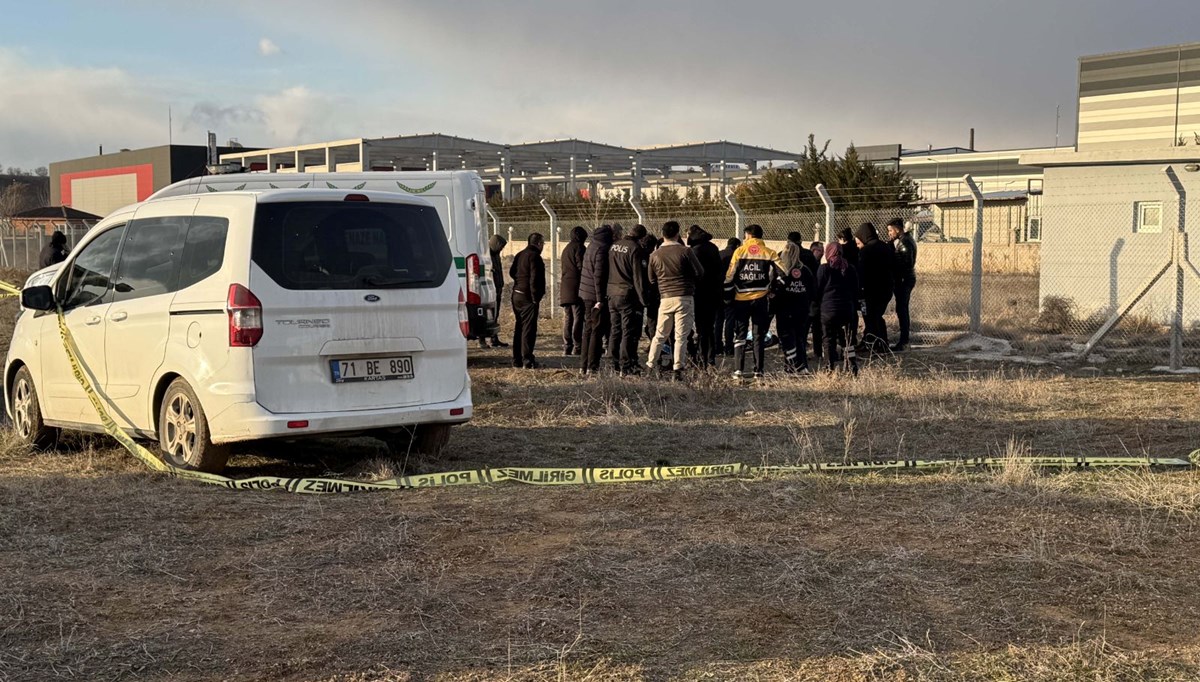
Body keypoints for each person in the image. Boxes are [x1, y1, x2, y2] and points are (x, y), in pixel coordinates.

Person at [723, 225, 784, 380]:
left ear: (749, 236)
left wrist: (728, 296)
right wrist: (773, 289)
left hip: (741, 299)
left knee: (740, 334)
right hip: (761, 299)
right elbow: (783, 273)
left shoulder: (739, 251)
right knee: (758, 335)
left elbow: (729, 276)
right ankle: (759, 370)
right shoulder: (769, 252)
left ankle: (738, 370)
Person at [648, 221, 705, 380]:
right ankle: (678, 369)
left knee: (660, 334)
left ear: (662, 234)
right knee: (681, 336)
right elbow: (700, 272)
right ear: (677, 234)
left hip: (665, 297)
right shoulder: (685, 251)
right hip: (684, 296)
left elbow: (651, 279)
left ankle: (650, 365)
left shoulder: (654, 255)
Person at [607, 224, 648, 375]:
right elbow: (638, 277)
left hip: (611, 292)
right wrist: (643, 299)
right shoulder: (635, 249)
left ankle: (612, 361)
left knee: (615, 329)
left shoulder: (614, 246)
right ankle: (626, 364)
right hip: (626, 294)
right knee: (627, 331)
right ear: (642, 237)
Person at [815, 242, 860, 375]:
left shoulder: (824, 269)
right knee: (847, 340)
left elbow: (817, 289)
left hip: (828, 311)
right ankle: (852, 367)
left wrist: (819, 304)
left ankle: (828, 367)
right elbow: (856, 289)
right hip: (846, 310)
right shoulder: (849, 268)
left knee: (828, 339)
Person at [774, 233, 817, 373]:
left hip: (785, 310)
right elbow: (812, 290)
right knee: (800, 338)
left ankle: (791, 366)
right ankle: (802, 366)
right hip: (802, 310)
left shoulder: (782, 272)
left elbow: (776, 291)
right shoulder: (806, 271)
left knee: (787, 339)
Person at [853, 222, 895, 355]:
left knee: (871, 317)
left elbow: (862, 272)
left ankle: (874, 344)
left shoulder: (866, 251)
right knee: (877, 316)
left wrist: (860, 290)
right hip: (886, 289)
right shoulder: (886, 247)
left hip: (870, 291)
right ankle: (879, 343)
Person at [579, 224, 615, 376]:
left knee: (588, 330)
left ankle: (583, 365)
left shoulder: (591, 246)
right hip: (595, 296)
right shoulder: (601, 249)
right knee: (596, 331)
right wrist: (600, 299)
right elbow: (598, 276)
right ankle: (593, 366)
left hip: (586, 293)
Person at [687, 224, 723, 368]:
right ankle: (710, 358)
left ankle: (702, 359)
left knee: (701, 328)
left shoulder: (694, 251)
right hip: (713, 294)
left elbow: (694, 273)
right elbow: (720, 271)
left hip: (700, 294)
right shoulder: (713, 248)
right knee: (709, 328)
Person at [508, 233, 546, 369]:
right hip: (528, 297)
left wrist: (519, 282)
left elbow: (512, 272)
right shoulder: (535, 257)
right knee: (528, 329)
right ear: (539, 244)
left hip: (516, 294)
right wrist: (535, 298)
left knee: (519, 327)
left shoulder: (520, 254)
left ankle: (516, 359)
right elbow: (535, 279)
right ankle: (527, 360)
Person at [887, 218, 918, 351]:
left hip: (904, 280)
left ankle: (904, 341)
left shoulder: (905, 243)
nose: (889, 233)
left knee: (902, 309)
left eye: (890, 230)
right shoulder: (904, 240)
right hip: (905, 279)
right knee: (901, 309)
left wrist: (892, 263)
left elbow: (906, 264)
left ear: (897, 229)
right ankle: (903, 340)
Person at [559, 226, 588, 355]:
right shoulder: (580, 248)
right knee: (578, 316)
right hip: (577, 286)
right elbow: (581, 267)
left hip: (565, 286)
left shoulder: (566, 249)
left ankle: (567, 345)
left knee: (568, 317)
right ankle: (577, 345)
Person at [483, 234, 509, 349]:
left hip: (498, 288)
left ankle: (494, 339)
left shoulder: (496, 255)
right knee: (486, 316)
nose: (502, 249)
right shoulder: (486, 255)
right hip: (489, 290)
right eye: (501, 246)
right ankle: (482, 339)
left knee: (495, 315)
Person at [717, 237, 741, 356]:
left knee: (718, 320)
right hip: (732, 292)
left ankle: (717, 346)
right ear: (737, 245)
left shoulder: (719, 254)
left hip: (718, 291)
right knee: (730, 320)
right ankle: (729, 347)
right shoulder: (737, 256)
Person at [807, 240, 824, 363]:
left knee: (817, 328)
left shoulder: (819, 265)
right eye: (820, 251)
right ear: (813, 251)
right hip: (809, 302)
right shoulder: (809, 265)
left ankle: (818, 353)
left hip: (817, 302)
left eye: (823, 251)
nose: (822, 253)